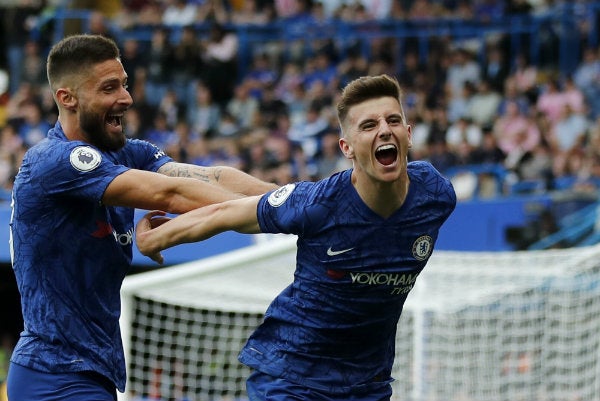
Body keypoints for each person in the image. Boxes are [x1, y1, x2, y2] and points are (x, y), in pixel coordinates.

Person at [136, 74, 457, 400]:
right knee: (266, 203)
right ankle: (159, 165)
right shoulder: (321, 204)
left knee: (271, 198)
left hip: (367, 385)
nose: (385, 130)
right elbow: (227, 214)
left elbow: (266, 196)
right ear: (346, 147)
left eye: (393, 120)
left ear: (408, 134)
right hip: (292, 376)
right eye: (368, 125)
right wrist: (159, 238)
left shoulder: (435, 194)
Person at [6, 34, 278, 401]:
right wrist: (280, 217)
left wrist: (292, 197)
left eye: (125, 84)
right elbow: (169, 194)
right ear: (67, 98)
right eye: (109, 87)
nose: (127, 98)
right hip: (54, 376)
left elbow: (211, 177)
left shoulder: (126, 153)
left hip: (86, 374)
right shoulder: (56, 161)